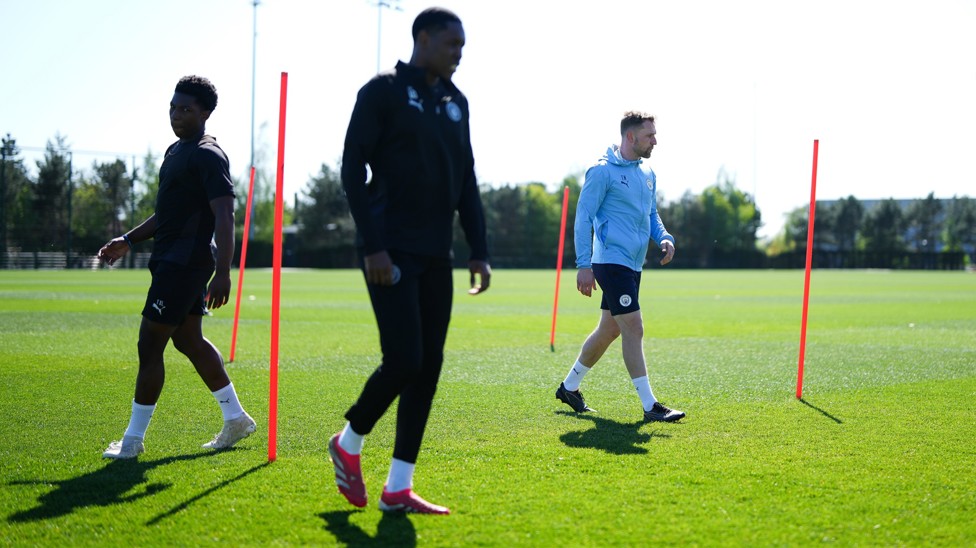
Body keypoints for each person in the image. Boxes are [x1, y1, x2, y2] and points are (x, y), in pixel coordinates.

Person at [329, 7, 491, 515]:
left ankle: (399, 486)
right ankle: (349, 440)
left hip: (434, 252)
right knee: (404, 359)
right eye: (451, 44)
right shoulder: (381, 92)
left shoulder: (456, 102)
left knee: (429, 366)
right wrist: (373, 244)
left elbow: (466, 180)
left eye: (462, 47)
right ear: (422, 38)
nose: (458, 54)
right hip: (388, 248)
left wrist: (479, 250)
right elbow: (352, 169)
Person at [97, 75, 256, 459]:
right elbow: (165, 215)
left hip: (184, 265)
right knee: (187, 340)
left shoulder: (207, 154)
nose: (177, 114)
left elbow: (226, 214)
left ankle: (132, 442)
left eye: (186, 109)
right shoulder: (175, 151)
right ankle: (236, 418)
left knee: (149, 344)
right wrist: (129, 240)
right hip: (171, 262)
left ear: (205, 113)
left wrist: (223, 271)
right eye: (173, 107)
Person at [555, 111, 685, 423]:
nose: (655, 140)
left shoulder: (648, 171)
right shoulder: (601, 172)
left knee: (610, 329)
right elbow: (583, 217)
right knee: (634, 327)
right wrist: (583, 264)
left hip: (633, 263)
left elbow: (651, 213)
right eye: (649, 135)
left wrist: (663, 237)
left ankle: (569, 388)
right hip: (610, 262)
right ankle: (650, 405)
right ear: (630, 137)